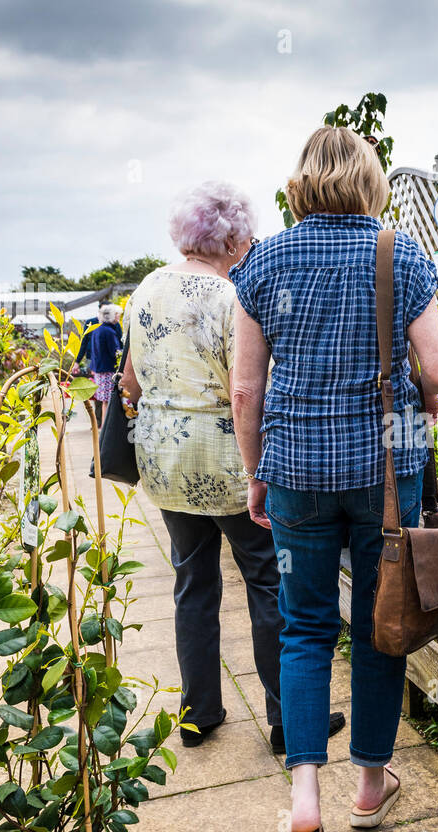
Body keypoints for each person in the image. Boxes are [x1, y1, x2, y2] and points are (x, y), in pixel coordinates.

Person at [231, 127, 438, 832]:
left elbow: (244, 388)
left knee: (303, 627)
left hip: (296, 472)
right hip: (387, 476)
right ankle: (367, 787)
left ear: (301, 183)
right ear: (369, 180)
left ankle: (303, 804)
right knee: (381, 621)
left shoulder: (263, 261)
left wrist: (256, 471)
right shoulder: (399, 252)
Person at [118, 180, 345, 753]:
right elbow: (246, 390)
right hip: (224, 462)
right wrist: (257, 470)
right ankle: (286, 719)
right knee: (268, 583)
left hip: (164, 460)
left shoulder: (145, 289)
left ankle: (198, 714)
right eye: (245, 236)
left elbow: (130, 382)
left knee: (192, 583)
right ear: (232, 239)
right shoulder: (229, 296)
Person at [76, 303, 123, 426]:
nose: (118, 317)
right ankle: (107, 427)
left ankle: (103, 426)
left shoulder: (98, 329)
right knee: (108, 400)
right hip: (107, 369)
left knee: (104, 401)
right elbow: (115, 352)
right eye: (117, 314)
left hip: (99, 369)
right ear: (112, 316)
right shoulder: (108, 331)